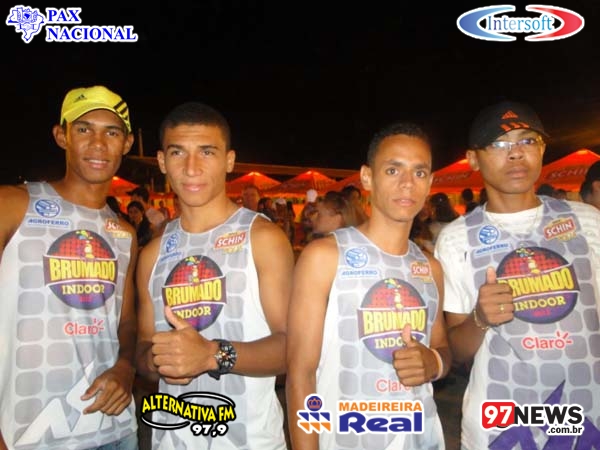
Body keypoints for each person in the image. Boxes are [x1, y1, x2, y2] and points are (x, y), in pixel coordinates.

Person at [435, 100, 600, 449]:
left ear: (542, 150)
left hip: (587, 415)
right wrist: (480, 318)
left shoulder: (586, 221)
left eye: (528, 140)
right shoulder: (456, 238)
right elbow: (456, 351)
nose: (515, 153)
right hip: (502, 423)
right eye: (498, 144)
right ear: (473, 159)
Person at [135, 101, 294, 449]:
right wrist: (155, 359)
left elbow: (294, 348)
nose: (191, 167)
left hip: (250, 441)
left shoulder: (262, 238)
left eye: (207, 152)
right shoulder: (152, 253)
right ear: (162, 161)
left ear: (229, 161)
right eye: (178, 152)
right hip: (171, 440)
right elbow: (144, 350)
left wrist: (212, 355)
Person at [286, 122, 451, 450]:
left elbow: (442, 348)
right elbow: (300, 374)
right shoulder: (325, 257)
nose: (407, 183)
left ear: (430, 182)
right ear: (366, 177)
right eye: (393, 170)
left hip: (421, 437)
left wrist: (433, 362)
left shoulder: (430, 268)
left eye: (419, 172)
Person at [0, 85, 138, 449]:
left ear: (126, 143)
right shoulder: (12, 205)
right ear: (62, 136)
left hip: (114, 430)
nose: (98, 143)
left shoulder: (125, 233)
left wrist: (126, 367)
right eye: (84, 129)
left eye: (112, 132)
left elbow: (126, 322)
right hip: (26, 432)